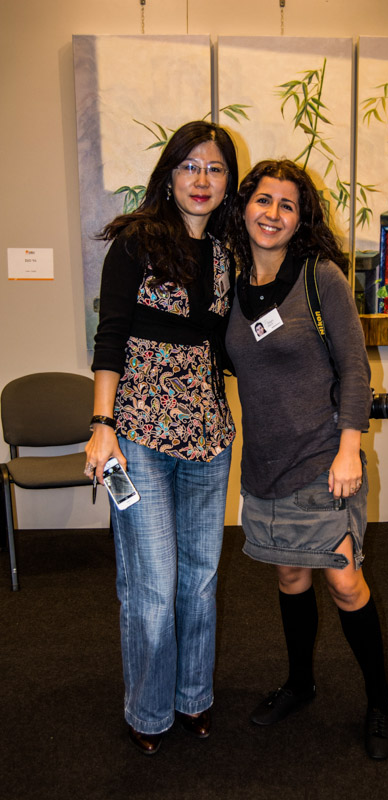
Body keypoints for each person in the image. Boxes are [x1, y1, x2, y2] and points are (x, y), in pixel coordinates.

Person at [226, 160, 388, 760]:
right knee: (290, 577)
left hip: (325, 459)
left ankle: (380, 701)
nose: (273, 214)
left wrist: (350, 448)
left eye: (287, 205)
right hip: (265, 464)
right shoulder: (230, 285)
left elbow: (355, 368)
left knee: (345, 581)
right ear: (244, 207)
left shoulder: (320, 277)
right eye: (263, 200)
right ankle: (300, 684)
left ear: (301, 219)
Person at [84, 120, 238, 756]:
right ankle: (148, 711)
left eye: (215, 168)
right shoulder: (137, 241)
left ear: (228, 182)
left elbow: (226, 346)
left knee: (199, 581)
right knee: (151, 587)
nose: (202, 179)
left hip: (209, 435)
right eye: (190, 166)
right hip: (140, 434)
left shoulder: (226, 253)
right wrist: (102, 426)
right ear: (169, 174)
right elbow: (111, 335)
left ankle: (193, 696)